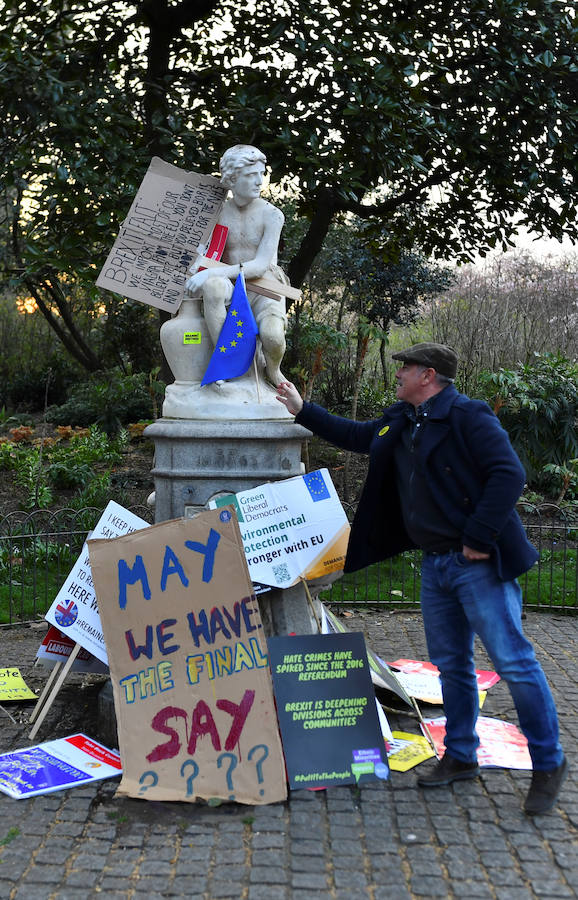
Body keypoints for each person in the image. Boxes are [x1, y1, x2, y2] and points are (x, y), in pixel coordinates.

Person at [276, 342, 567, 816]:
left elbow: (508, 474)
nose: (399, 374)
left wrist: (479, 536)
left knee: (513, 662)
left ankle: (550, 763)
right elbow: (359, 435)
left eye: (406, 368)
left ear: (428, 375)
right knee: (450, 667)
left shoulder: (468, 416)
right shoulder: (403, 418)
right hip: (435, 565)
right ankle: (461, 755)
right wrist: (302, 408)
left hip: (478, 565)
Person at [186, 144, 288, 386]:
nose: (259, 181)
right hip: (232, 284)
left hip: (265, 287)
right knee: (213, 286)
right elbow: (203, 250)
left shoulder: (272, 215)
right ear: (232, 179)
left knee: (273, 337)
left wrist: (212, 271)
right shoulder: (217, 213)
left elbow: (261, 265)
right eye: (251, 175)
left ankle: (272, 370)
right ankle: (227, 363)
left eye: (261, 174)